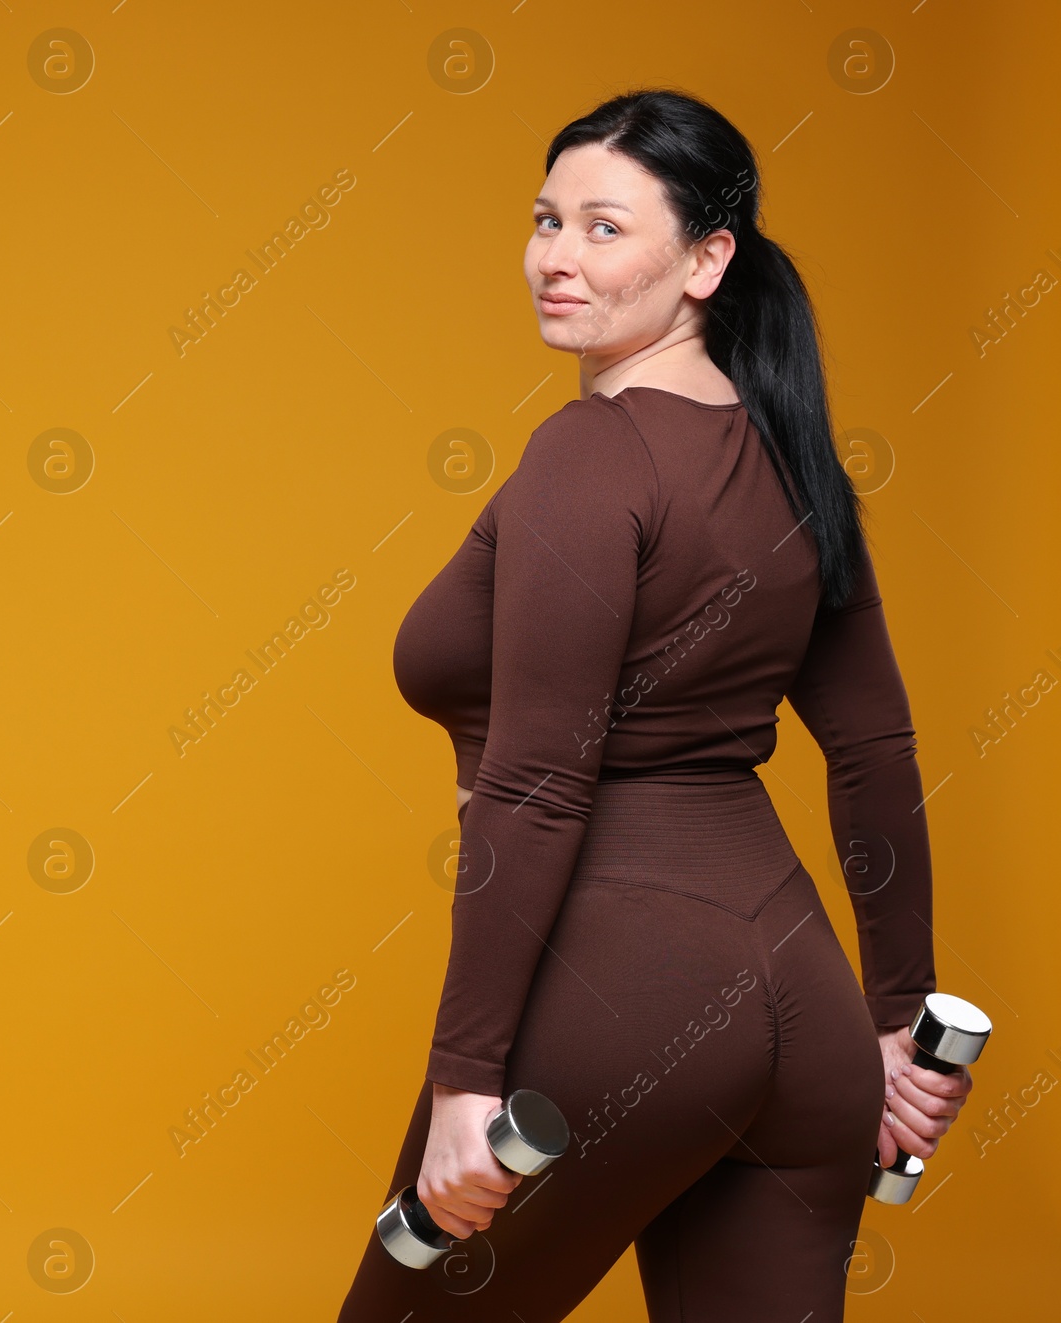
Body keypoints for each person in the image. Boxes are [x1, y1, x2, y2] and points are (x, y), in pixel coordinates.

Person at [336, 88, 975, 1322]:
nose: (556, 257)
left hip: (618, 989)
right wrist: (895, 1020)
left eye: (604, 227)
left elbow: (533, 779)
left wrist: (468, 1081)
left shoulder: (589, 453)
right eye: (545, 219)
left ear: (706, 259)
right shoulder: (797, 466)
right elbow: (874, 749)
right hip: (802, 1005)